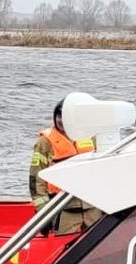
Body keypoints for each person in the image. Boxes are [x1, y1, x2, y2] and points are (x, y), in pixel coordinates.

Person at [29, 99, 103, 234]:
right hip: (63, 209)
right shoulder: (45, 142)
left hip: (92, 207)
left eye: (65, 117)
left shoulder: (91, 137)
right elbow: (36, 179)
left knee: (99, 244)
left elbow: (102, 169)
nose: (61, 121)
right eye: (59, 116)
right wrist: (43, 212)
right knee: (64, 249)